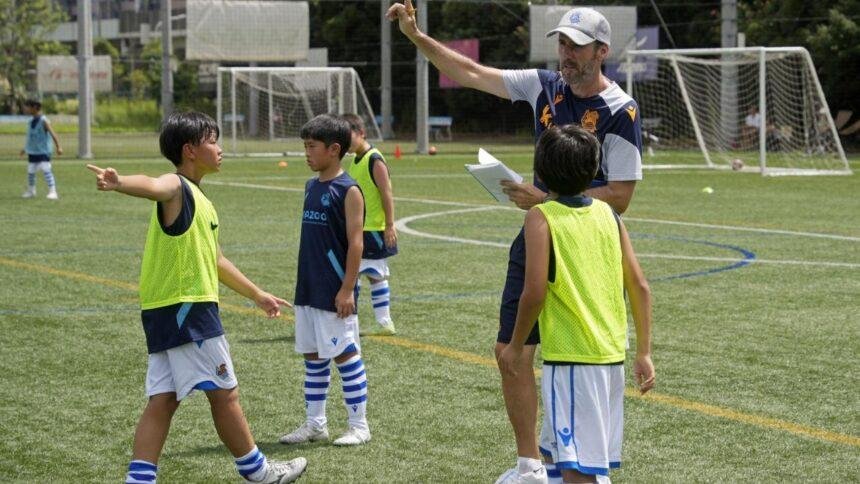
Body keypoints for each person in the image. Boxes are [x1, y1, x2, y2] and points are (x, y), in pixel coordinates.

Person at [387, 3, 642, 482]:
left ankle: (587, 462)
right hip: (538, 233)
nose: (566, 53)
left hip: (585, 244)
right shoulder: (542, 85)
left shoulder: (619, 110)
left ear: (601, 51)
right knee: (512, 347)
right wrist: (415, 36)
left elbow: (621, 197)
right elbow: (470, 72)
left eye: (577, 46)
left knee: (580, 355)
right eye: (562, 43)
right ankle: (531, 465)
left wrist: (544, 194)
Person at [86, 112, 307, 484]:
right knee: (225, 394)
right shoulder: (178, 185)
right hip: (187, 308)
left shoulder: (202, 200)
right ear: (190, 150)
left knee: (163, 400)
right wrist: (120, 181)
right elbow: (156, 185)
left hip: (164, 310)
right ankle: (259, 472)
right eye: (213, 141)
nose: (220, 149)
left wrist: (257, 294)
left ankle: (139, 479)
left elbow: (216, 259)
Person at [498, 124, 654, 484]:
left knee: (578, 473)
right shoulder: (608, 215)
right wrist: (643, 352)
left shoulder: (541, 217)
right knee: (571, 458)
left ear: (542, 170)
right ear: (594, 170)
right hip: (610, 356)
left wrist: (517, 346)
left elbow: (534, 291)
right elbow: (640, 286)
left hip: (571, 360)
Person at [279, 114, 371, 447]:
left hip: (335, 289)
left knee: (345, 353)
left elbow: (356, 242)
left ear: (334, 149)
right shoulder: (310, 186)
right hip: (308, 286)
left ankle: (359, 425)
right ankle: (315, 424)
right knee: (313, 355)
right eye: (304, 146)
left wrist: (347, 288)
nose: (306, 153)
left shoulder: (348, 190)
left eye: (311, 146)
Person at [341, 113, 398, 335]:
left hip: (373, 229)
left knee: (374, 275)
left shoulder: (374, 159)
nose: (346, 142)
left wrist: (390, 225)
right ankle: (352, 324)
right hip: (357, 229)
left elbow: (386, 192)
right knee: (354, 275)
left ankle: (384, 322)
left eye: (349, 137)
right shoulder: (355, 160)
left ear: (361, 133)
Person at [20, 99, 62, 199]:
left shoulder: (44, 121)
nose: (26, 109)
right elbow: (30, 138)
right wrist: (25, 148)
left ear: (34, 107)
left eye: (28, 106)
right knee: (30, 171)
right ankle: (31, 191)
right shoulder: (30, 121)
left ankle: (53, 192)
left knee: (46, 169)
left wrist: (58, 147)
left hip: (43, 151)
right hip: (33, 152)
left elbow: (53, 134)